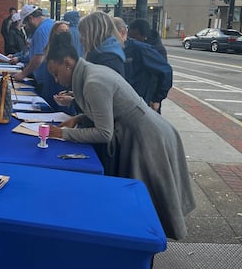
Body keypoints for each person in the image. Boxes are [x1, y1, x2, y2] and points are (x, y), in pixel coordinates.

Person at [45, 33, 195, 240]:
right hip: (142, 130)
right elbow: (105, 112)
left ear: (68, 63)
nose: (56, 79)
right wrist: (78, 118)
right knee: (144, 201)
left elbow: (104, 133)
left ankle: (145, 247)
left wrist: (63, 133)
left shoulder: (93, 82)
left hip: (146, 137)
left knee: (147, 200)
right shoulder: (91, 71)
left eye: (56, 73)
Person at [114, 17, 172, 113]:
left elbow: (165, 72)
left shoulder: (143, 49)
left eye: (135, 37)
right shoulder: (129, 48)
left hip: (144, 102)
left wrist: (157, 99)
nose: (133, 39)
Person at [12, 5, 54, 89]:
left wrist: (22, 74)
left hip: (45, 80)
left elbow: (38, 57)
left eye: (26, 23)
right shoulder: (49, 24)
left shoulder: (40, 31)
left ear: (31, 18)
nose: (26, 27)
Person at [79, 12, 126, 76]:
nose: (81, 39)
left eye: (83, 34)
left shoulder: (107, 60)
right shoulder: (109, 53)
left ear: (96, 33)